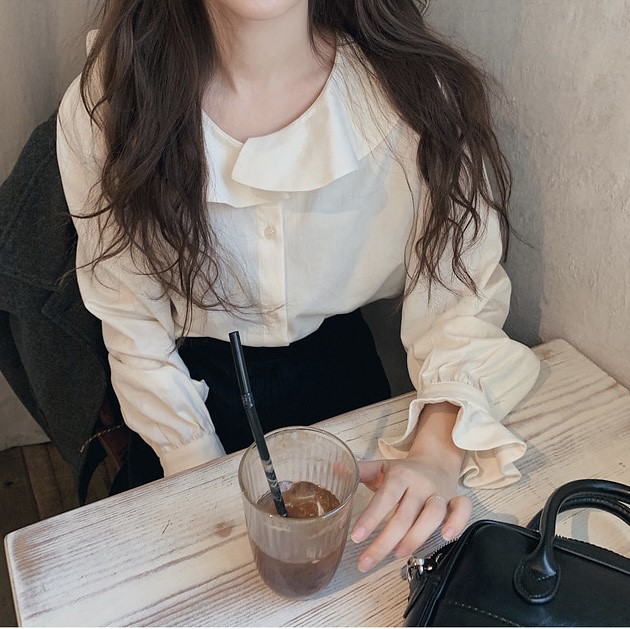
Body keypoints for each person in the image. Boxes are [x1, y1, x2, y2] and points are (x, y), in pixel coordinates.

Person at [56, 0, 540, 573]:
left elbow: (462, 304)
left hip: (349, 398)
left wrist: (436, 453)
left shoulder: (419, 97)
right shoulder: (108, 104)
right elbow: (132, 322)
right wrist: (197, 472)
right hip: (183, 398)